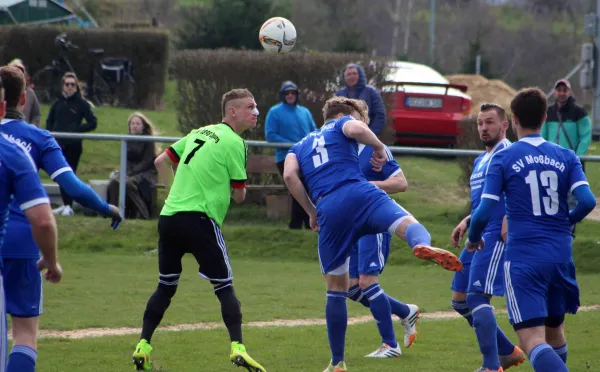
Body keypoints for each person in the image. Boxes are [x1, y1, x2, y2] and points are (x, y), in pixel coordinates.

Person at [283, 96, 462, 372]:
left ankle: (338, 362)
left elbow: (289, 177)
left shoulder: (299, 145)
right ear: (346, 115)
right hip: (361, 194)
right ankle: (422, 245)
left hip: (329, 206)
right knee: (406, 223)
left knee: (336, 290)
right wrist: (378, 146)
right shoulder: (347, 126)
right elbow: (355, 129)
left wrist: (310, 211)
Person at [132, 89, 266, 372]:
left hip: (169, 218)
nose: (256, 112)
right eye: (250, 107)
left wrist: (174, 196)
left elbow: (161, 162)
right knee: (224, 287)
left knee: (166, 286)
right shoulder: (235, 143)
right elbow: (240, 196)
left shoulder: (199, 132)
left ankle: (143, 345)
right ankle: (238, 348)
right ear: (232, 112)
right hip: (201, 221)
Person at [0, 65, 122, 372]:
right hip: (23, 243)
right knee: (25, 334)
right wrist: (106, 208)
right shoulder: (36, 139)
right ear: (23, 100)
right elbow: (72, 187)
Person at [467, 87, 596, 372]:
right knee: (555, 334)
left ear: (513, 120)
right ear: (544, 117)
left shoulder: (504, 157)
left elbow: (484, 212)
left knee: (532, 341)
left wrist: (473, 238)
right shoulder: (566, 155)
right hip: (560, 256)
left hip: (524, 257)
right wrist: (567, 221)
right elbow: (587, 201)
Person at [449, 103, 525, 372]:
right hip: (479, 230)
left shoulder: (510, 152)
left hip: (496, 234)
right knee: (459, 299)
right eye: (480, 123)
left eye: (490, 122)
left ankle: (491, 366)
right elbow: (486, 199)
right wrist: (467, 220)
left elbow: (523, 188)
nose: (484, 127)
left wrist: (510, 218)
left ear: (505, 125)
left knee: (477, 297)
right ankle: (507, 352)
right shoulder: (482, 159)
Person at [347, 140, 420, 358]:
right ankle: (406, 311)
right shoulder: (337, 149)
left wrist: (368, 186)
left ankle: (390, 345)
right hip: (351, 223)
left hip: (373, 220)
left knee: (367, 281)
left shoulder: (374, 149)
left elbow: (400, 183)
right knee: (350, 287)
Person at [265, 81, 317, 229]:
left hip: (306, 156)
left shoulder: (304, 112)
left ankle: (306, 223)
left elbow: (314, 131)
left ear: (296, 95)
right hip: (286, 157)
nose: (290, 95)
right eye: (287, 93)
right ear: (283, 95)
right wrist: (293, 144)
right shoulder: (274, 112)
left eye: (292, 93)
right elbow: (271, 135)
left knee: (307, 188)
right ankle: (297, 224)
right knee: (296, 187)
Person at [46, 72, 98, 216]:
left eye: (72, 84)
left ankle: (69, 206)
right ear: (63, 86)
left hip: (74, 145)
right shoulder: (57, 103)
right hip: (58, 144)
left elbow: (93, 122)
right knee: (60, 175)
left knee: (70, 174)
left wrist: (77, 130)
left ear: (76, 86)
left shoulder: (82, 104)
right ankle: (65, 204)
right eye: (67, 84)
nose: (69, 87)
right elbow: (49, 122)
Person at [107, 112, 159, 219]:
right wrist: (125, 172)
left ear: (143, 126)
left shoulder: (148, 140)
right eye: (132, 123)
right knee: (114, 183)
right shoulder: (126, 139)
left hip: (146, 173)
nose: (134, 126)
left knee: (128, 184)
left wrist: (130, 173)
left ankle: (144, 214)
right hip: (129, 172)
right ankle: (114, 214)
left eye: (138, 124)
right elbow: (125, 159)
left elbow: (147, 162)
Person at [542, 79, 591, 169]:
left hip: (572, 162)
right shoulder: (548, 112)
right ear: (554, 92)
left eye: (565, 90)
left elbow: (585, 137)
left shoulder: (579, 112)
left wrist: (577, 157)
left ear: (570, 92)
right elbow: (543, 135)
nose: (562, 93)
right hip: (552, 161)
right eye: (559, 90)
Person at [335, 64, 387, 136]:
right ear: (344, 77)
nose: (351, 76)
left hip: (367, 137)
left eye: (354, 73)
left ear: (360, 75)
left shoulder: (371, 92)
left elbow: (380, 116)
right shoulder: (339, 94)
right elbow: (334, 117)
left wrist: (370, 134)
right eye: (348, 74)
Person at [7, 59, 40, 126]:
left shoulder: (30, 93)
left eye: (21, 72)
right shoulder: (3, 91)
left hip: (24, 131)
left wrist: (33, 126)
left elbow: (36, 114)